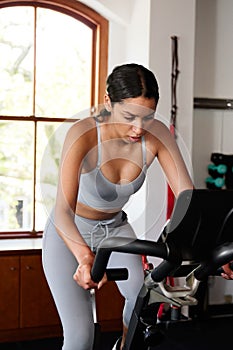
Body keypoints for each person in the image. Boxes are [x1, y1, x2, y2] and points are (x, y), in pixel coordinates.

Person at [42, 63, 194, 350]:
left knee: (141, 301)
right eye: (129, 117)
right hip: (69, 233)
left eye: (147, 117)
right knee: (80, 337)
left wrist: (207, 242)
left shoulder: (157, 135)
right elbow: (62, 210)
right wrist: (85, 257)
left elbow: (188, 198)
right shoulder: (83, 133)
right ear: (108, 102)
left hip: (115, 230)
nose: (138, 128)